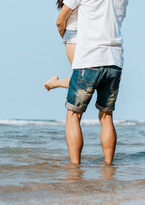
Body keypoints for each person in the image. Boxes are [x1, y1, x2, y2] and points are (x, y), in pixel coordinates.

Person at [49, 0, 129, 165]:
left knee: (73, 115)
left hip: (89, 58)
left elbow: (59, 21)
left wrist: (65, 38)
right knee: (107, 116)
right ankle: (108, 168)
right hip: (114, 60)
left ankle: (75, 168)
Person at [43, 0, 76, 91]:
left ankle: (70, 89)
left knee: (86, 77)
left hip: (84, 37)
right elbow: (59, 22)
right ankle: (53, 84)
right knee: (81, 78)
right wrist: (66, 38)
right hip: (74, 37)